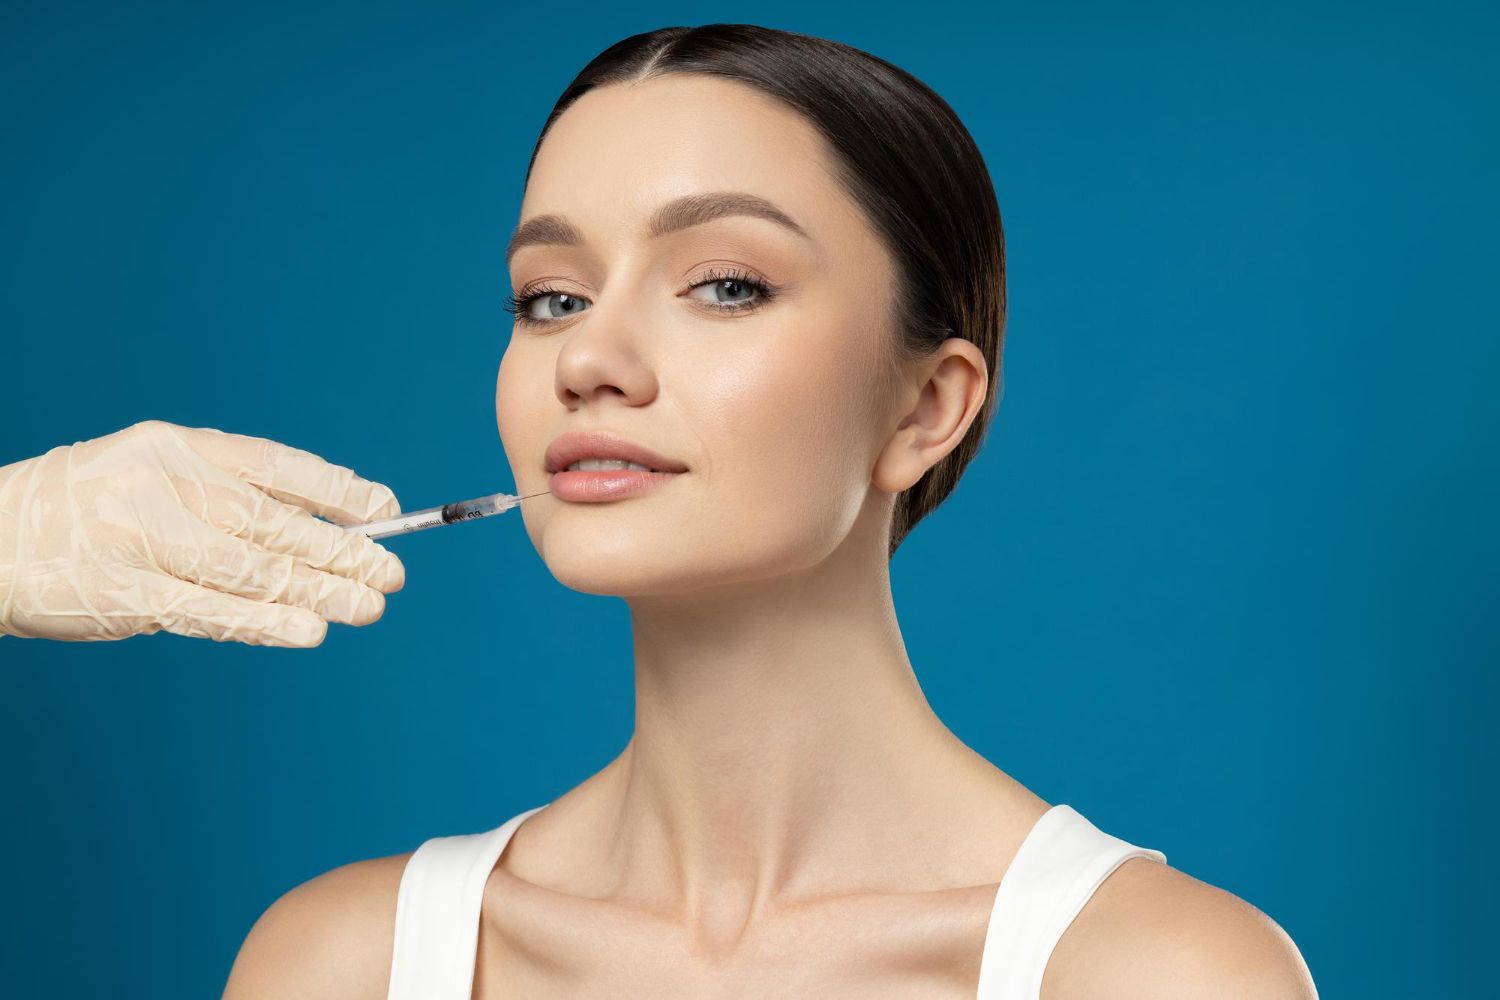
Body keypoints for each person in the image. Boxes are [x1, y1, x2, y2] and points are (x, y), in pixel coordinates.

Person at [6, 23, 1317, 1000]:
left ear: (927, 407)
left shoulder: (1156, 972)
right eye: (552, 297)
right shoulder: (340, 964)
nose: (588, 359)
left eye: (727, 283)